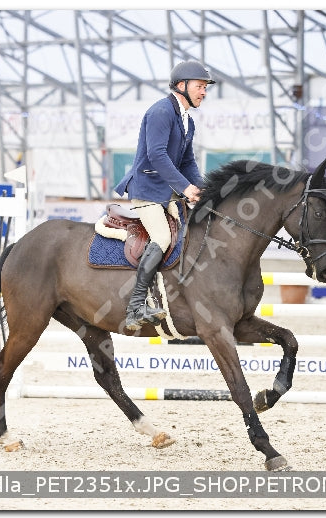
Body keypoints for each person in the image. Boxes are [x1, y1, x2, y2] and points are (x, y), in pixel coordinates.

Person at [113, 60, 213, 331]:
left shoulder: (187, 122)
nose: (204, 92)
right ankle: (135, 307)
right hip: (146, 189)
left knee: (193, 231)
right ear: (181, 86)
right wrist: (185, 188)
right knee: (162, 237)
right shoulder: (161, 112)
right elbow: (157, 155)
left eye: (205, 88)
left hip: (166, 191)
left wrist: (203, 189)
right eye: (200, 86)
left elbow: (188, 162)